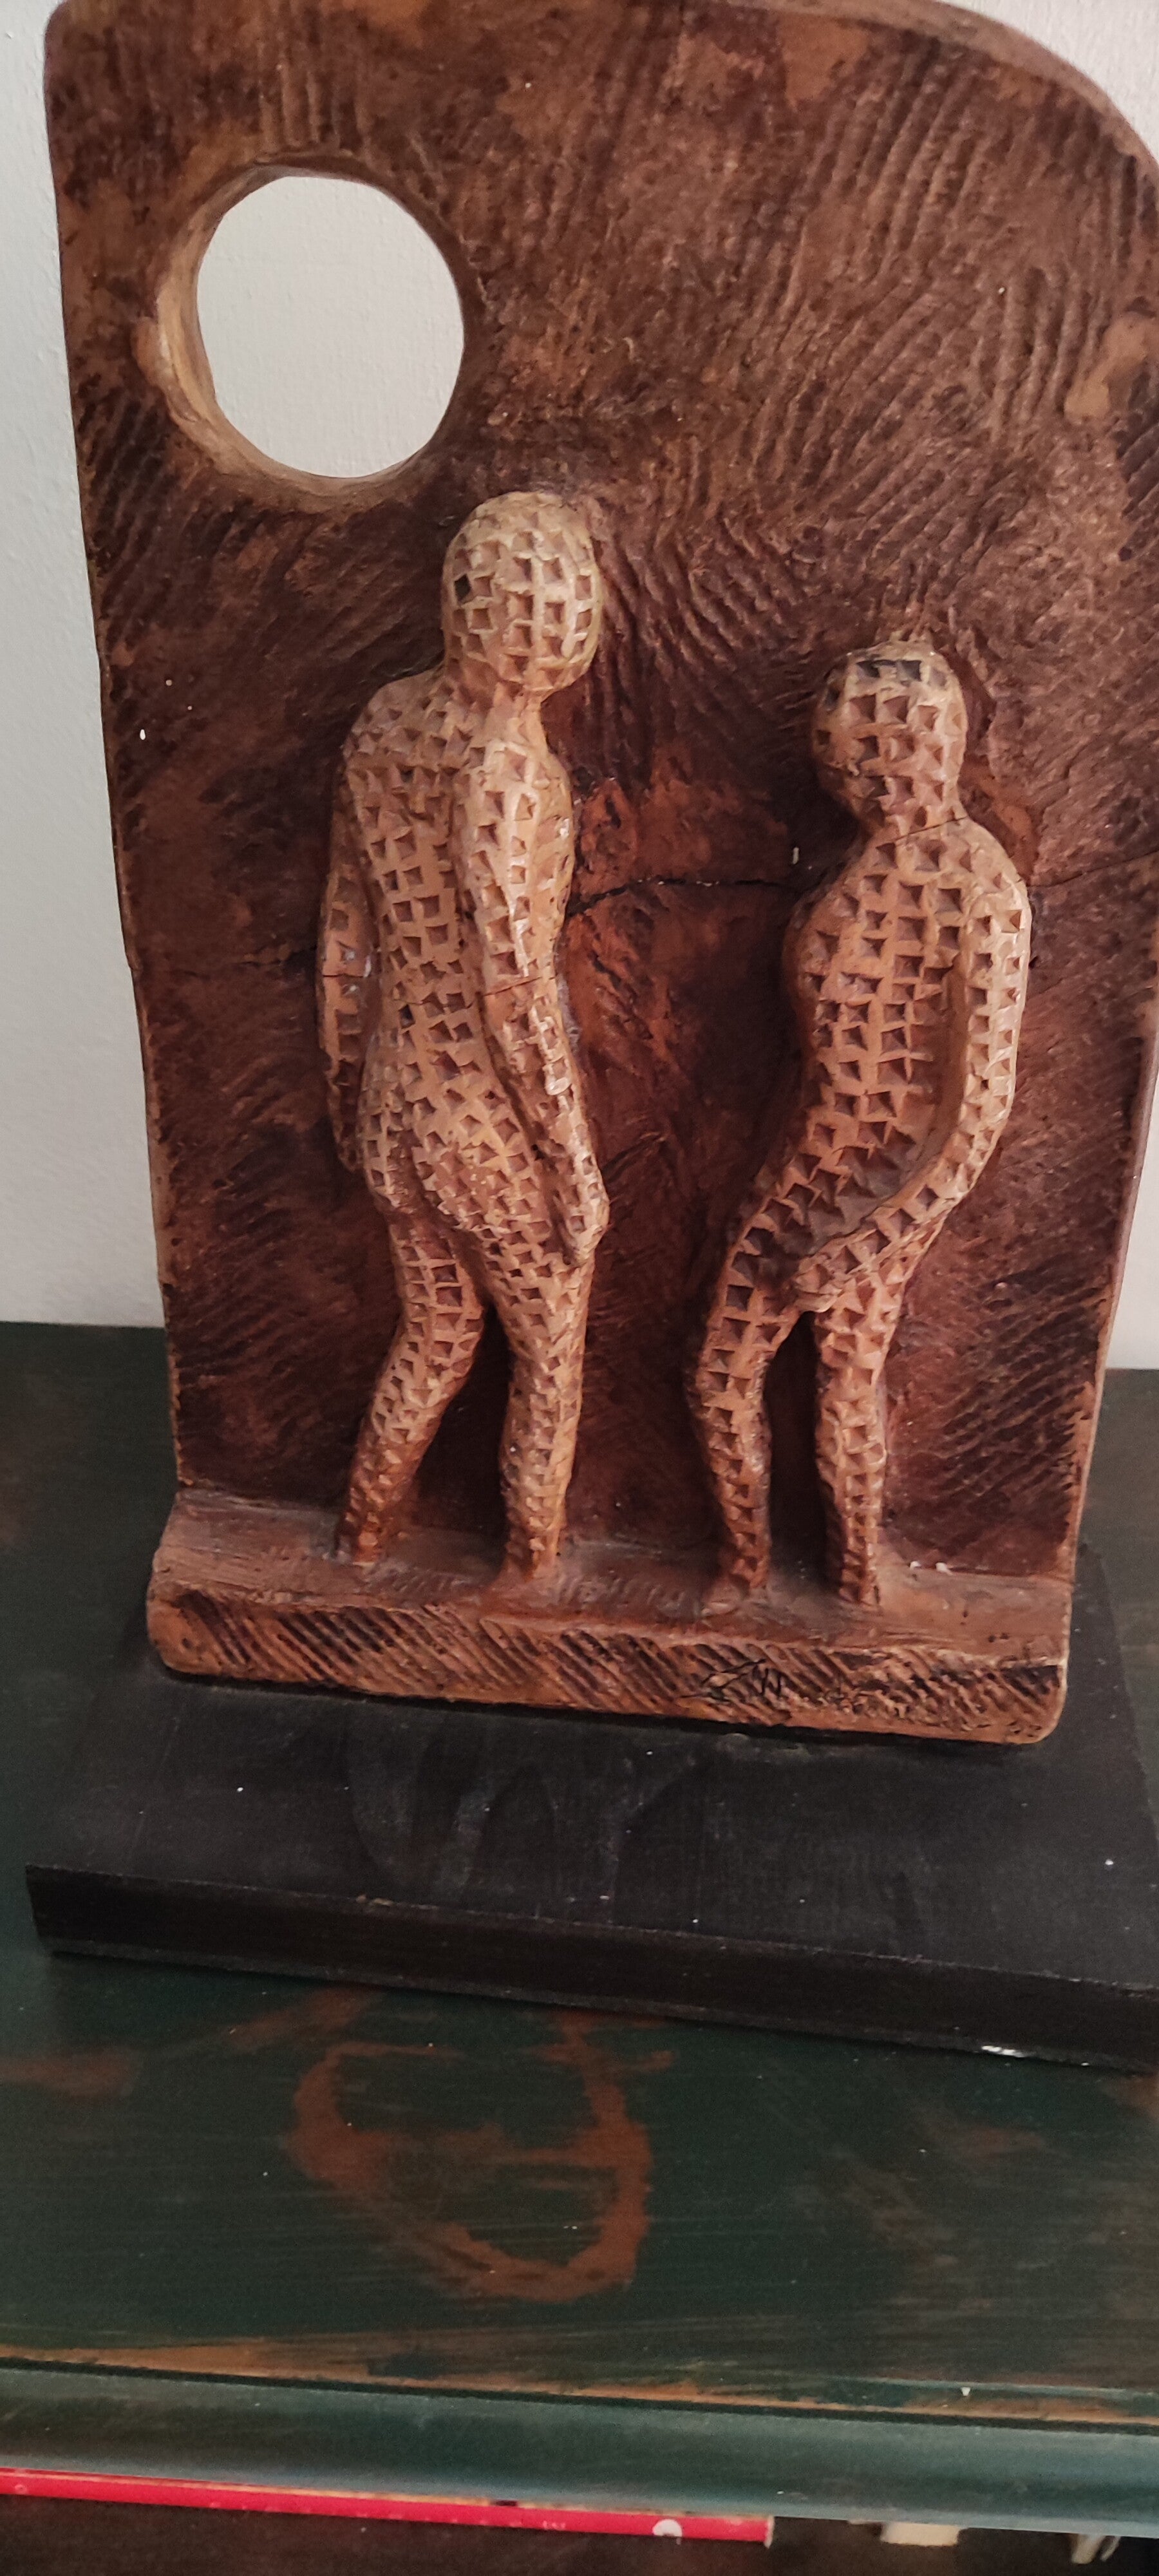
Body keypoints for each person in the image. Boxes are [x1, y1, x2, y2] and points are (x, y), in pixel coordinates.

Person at [692, 643, 1030, 1609]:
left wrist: (866, 1241)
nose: (863, 774)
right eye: (850, 753)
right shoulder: (860, 868)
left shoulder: (980, 887)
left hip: (893, 1178)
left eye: (886, 750)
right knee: (719, 1375)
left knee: (846, 1377)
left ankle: (854, 1583)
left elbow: (976, 1116)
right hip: (809, 1157)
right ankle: (743, 1567)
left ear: (939, 746)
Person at [317, 491, 608, 1573]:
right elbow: (513, 988)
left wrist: (349, 1093)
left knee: (436, 1334)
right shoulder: (507, 772)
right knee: (551, 1345)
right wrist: (572, 1163)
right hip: (481, 1122)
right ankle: (531, 1566)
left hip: (397, 1097)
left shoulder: (383, 726)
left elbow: (344, 937)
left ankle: (360, 1538)